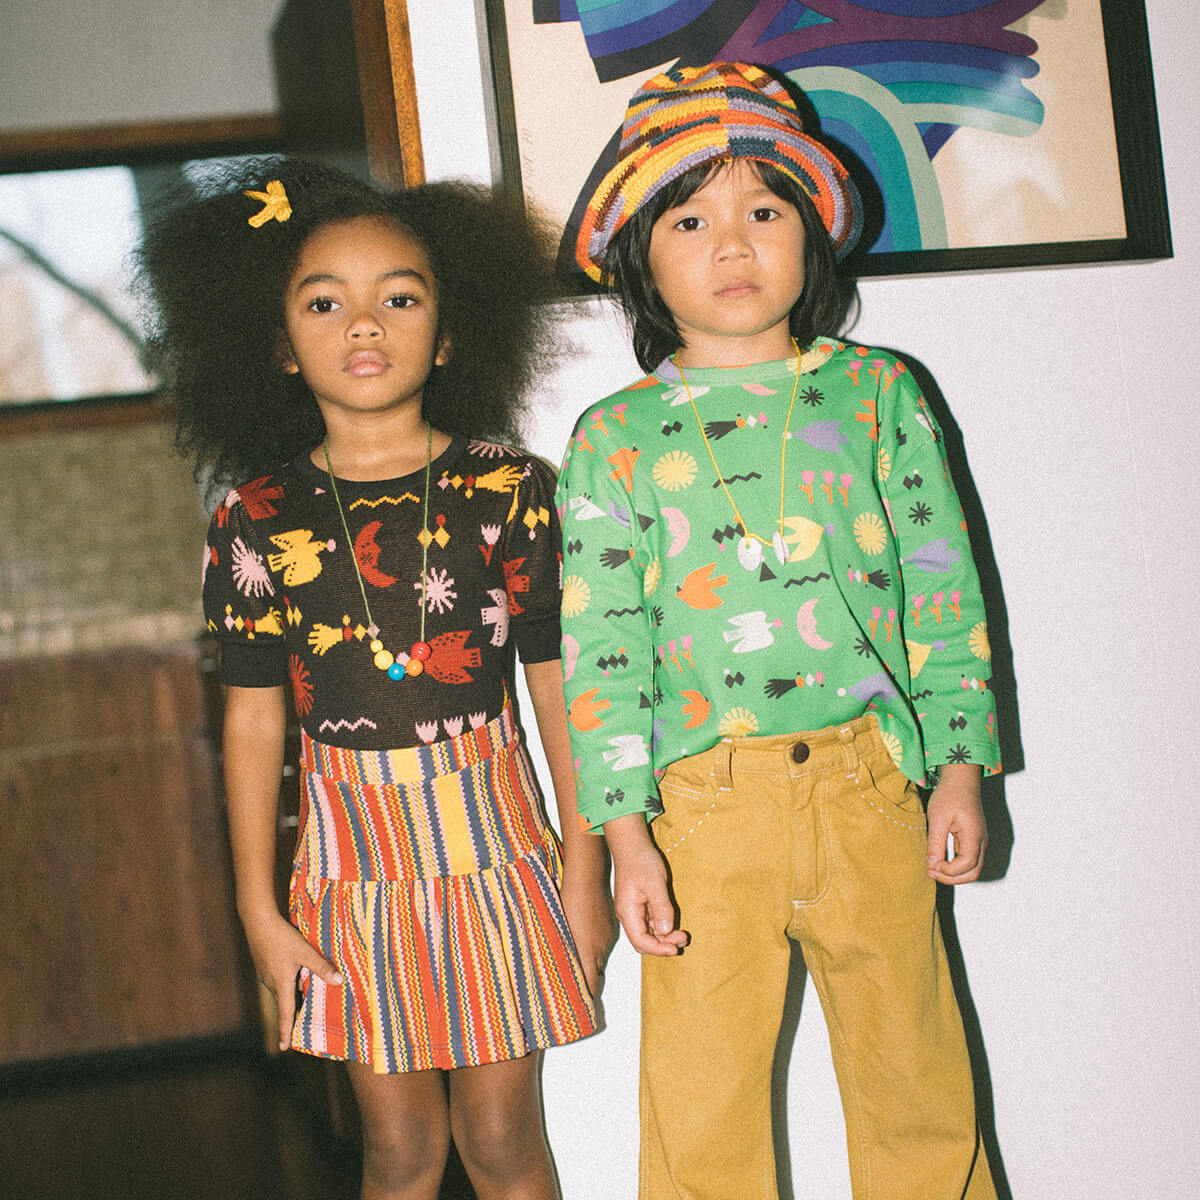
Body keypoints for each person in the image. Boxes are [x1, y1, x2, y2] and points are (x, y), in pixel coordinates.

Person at [557, 63, 1001, 1199]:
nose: (733, 245)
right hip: (703, 810)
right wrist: (627, 837)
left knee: (916, 1086)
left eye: (765, 211)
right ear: (641, 260)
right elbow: (603, 651)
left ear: (812, 236)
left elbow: (944, 595)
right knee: (701, 1111)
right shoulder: (613, 437)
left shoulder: (879, 393)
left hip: (871, 788)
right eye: (690, 221)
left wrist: (960, 768)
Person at [135, 158, 614, 1200]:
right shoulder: (255, 518)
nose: (363, 323)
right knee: (397, 1149)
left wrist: (588, 872)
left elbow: (561, 693)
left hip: (497, 853)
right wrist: (259, 911)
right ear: (276, 345)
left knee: (503, 1139)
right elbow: (252, 725)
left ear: (449, 335)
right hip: (350, 875)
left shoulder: (508, 490)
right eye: (324, 302)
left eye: (399, 297)